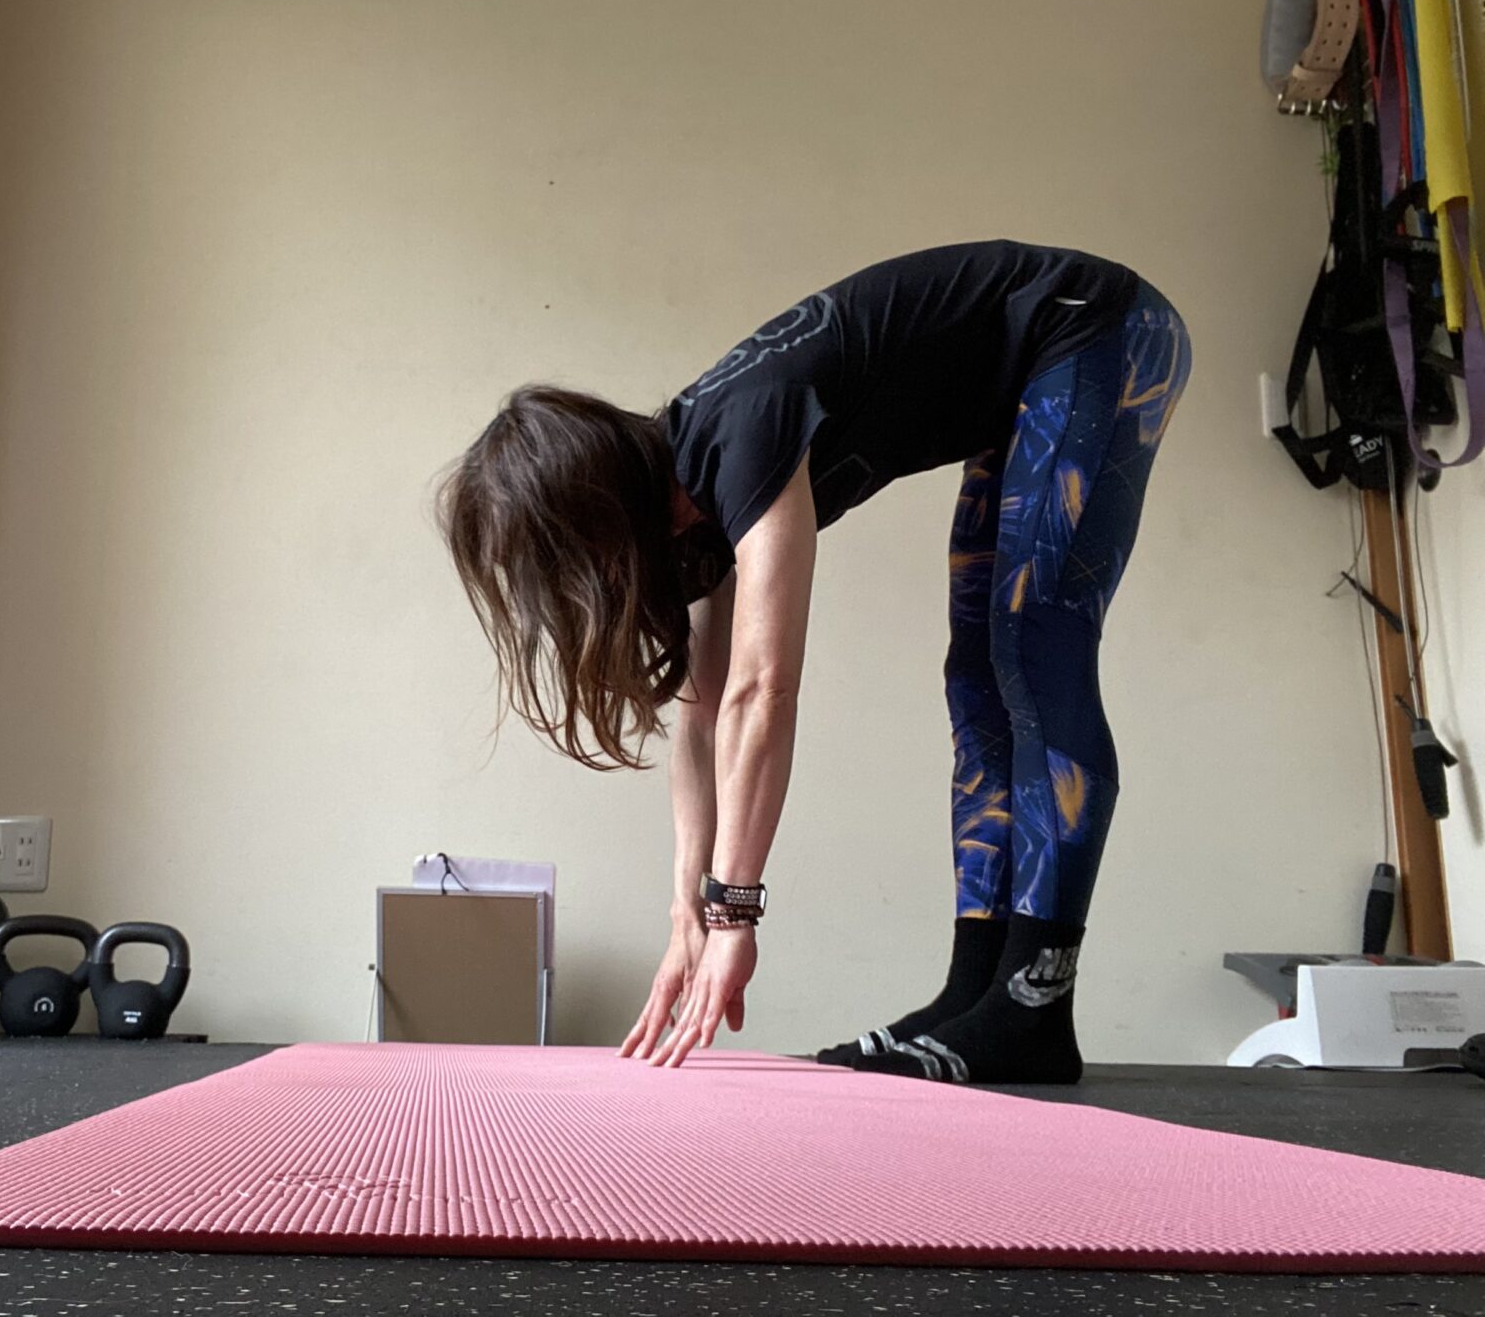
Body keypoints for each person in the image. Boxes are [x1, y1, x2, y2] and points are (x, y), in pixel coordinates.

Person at [437, 241, 1190, 1084]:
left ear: (596, 515)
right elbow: (705, 713)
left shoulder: (738, 433)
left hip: (1095, 328)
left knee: (1030, 642)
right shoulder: (686, 513)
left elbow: (764, 689)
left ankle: (1033, 1002)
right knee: (977, 678)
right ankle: (976, 990)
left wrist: (735, 913)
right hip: (1027, 381)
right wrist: (687, 913)